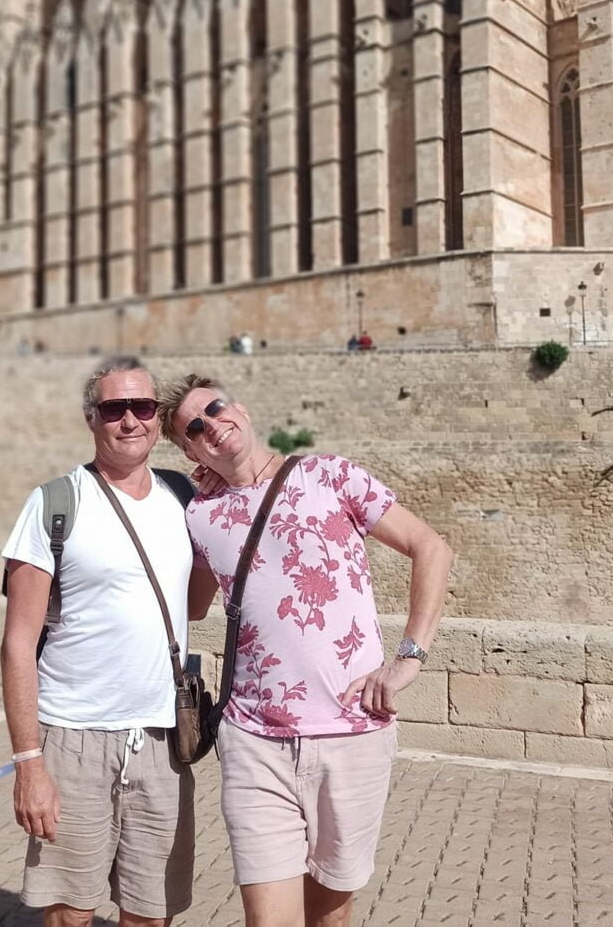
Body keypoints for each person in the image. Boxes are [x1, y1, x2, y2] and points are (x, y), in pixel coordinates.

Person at [158, 375, 453, 927]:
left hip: (351, 732)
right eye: (194, 428)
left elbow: (430, 546)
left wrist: (409, 657)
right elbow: (192, 606)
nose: (211, 425)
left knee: (329, 916)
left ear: (241, 409)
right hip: (253, 741)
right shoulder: (199, 516)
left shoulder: (330, 475)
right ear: (191, 451)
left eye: (215, 409)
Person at [0, 356, 202, 926]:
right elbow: (17, 644)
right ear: (92, 418)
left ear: (158, 419)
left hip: (162, 740)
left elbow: (194, 605)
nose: (130, 420)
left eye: (143, 407)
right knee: (71, 911)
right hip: (74, 740)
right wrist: (29, 764)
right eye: (115, 409)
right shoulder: (54, 503)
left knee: (152, 913)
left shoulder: (183, 498)